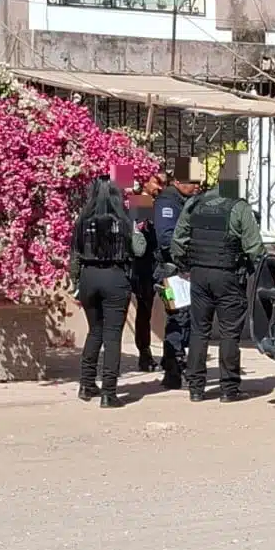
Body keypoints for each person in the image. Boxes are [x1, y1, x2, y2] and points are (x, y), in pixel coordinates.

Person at [169, 181, 265, 402]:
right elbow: (255, 248)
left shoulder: (194, 203)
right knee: (229, 333)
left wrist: (185, 266)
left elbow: (177, 243)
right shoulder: (239, 207)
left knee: (198, 331)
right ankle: (228, 389)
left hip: (199, 275)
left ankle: (195, 388)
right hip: (228, 275)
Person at [69, 177, 146, 409]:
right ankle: (109, 392)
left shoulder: (83, 221)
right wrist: (138, 230)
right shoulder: (123, 221)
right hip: (115, 276)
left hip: (89, 276)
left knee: (95, 332)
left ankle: (86, 384)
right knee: (113, 336)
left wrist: (76, 283)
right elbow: (139, 250)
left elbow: (74, 256)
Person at [149, 166, 205, 390]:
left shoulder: (185, 200)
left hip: (184, 272)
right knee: (177, 318)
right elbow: (166, 239)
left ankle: (176, 364)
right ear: (178, 182)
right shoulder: (167, 203)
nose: (197, 187)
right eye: (193, 182)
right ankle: (172, 368)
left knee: (187, 319)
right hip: (170, 273)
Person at [128, 174, 163, 374]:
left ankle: (145, 352)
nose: (160, 186)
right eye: (157, 181)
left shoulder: (149, 203)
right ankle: (144, 353)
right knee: (143, 311)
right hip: (141, 268)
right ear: (145, 182)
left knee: (145, 312)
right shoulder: (141, 202)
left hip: (147, 267)